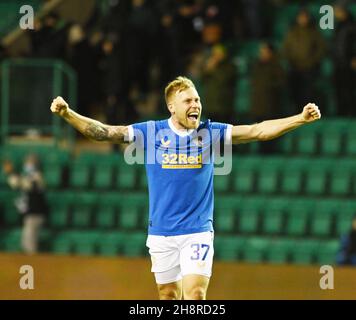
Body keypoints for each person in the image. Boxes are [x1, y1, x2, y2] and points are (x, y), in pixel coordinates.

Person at [50, 76, 321, 300]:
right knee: (168, 296)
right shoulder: (151, 132)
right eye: (188, 100)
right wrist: (68, 114)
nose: (196, 105)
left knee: (195, 294)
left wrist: (300, 118)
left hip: (197, 231)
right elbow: (104, 132)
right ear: (172, 106)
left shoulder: (210, 132)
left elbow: (257, 131)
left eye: (197, 99)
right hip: (161, 232)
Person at [2, 154, 48, 255]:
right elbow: (16, 184)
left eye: (29, 162)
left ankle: (33, 264)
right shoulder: (29, 175)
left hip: (36, 214)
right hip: (30, 214)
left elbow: (25, 184)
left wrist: (11, 172)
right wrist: (10, 173)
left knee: (29, 243)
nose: (27, 165)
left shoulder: (37, 175)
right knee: (26, 241)